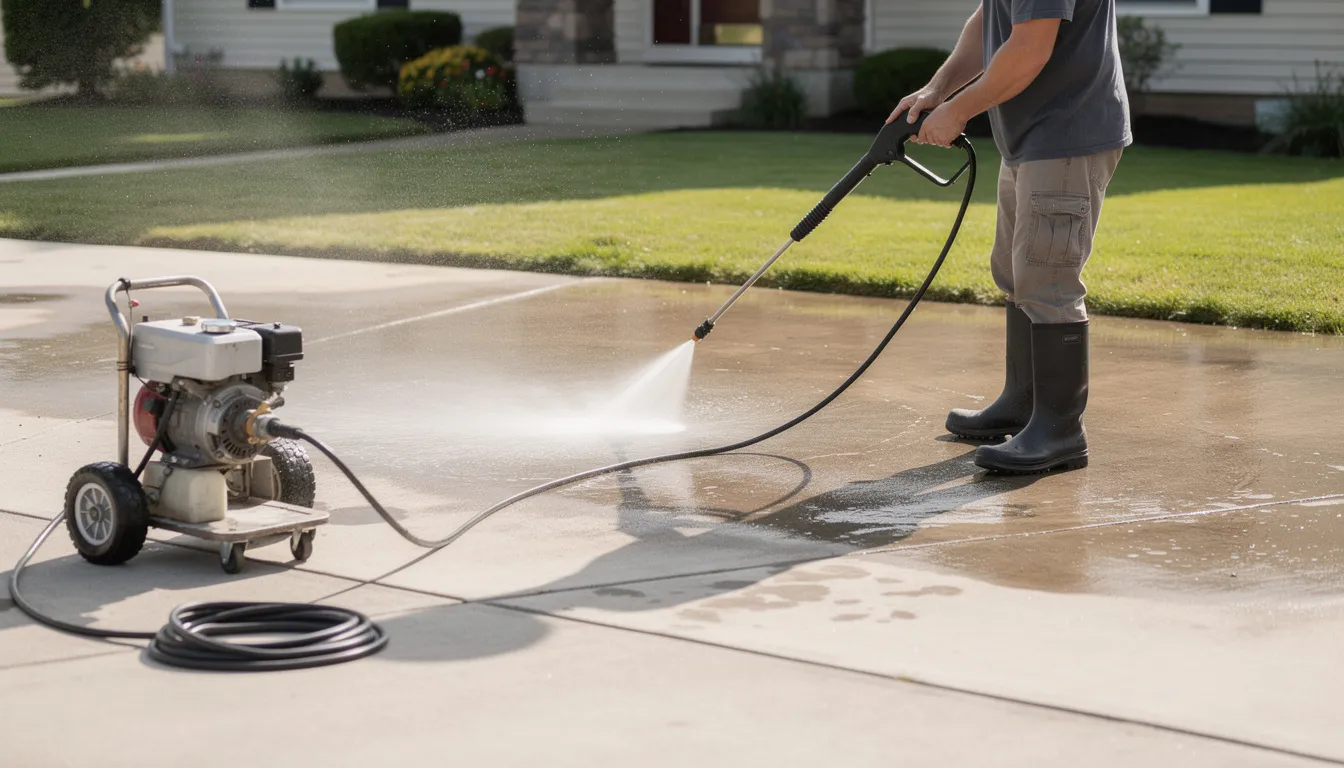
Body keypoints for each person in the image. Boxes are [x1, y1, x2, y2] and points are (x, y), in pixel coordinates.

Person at [887, 0, 1131, 474]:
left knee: (1047, 279)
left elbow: (1029, 49)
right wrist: (938, 89)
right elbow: (988, 22)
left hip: (1065, 134)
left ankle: (1059, 431)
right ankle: (1022, 405)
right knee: (1015, 271)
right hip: (1029, 138)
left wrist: (957, 111)